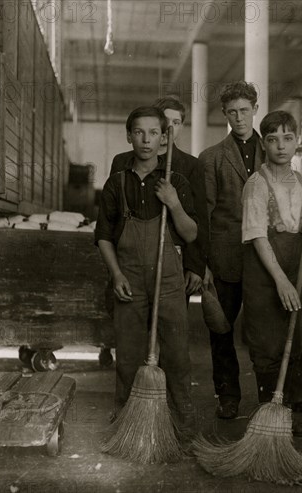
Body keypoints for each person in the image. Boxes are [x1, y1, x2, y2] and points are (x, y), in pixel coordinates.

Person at [95, 106, 198, 436]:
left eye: (154, 132)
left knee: (178, 354)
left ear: (164, 138)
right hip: (130, 278)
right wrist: (117, 275)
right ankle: (126, 416)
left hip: (168, 279)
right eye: (139, 132)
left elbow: (191, 233)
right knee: (127, 353)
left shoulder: (175, 181)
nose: (146, 139)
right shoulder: (117, 184)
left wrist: (174, 203)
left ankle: (181, 420)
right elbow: (103, 236)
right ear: (129, 136)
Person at [241, 110, 302, 431]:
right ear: (263, 144)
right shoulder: (256, 184)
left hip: (292, 270)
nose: (281, 146)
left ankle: (300, 395)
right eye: (273, 140)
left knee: (291, 332)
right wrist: (280, 282)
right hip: (264, 276)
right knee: (266, 341)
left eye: (287, 139)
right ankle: (269, 404)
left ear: (297, 142)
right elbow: (258, 237)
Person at [199, 81, 264, 419]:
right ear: (224, 114)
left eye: (244, 110)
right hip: (224, 260)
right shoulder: (210, 158)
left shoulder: (273, 152)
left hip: (265, 258)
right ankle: (228, 396)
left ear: (255, 108)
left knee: (266, 332)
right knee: (221, 331)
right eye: (232, 112)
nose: (239, 118)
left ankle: (272, 399)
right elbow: (205, 215)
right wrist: (205, 265)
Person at [110, 97, 207, 297]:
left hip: (175, 263)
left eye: (177, 123)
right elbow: (113, 218)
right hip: (131, 261)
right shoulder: (122, 162)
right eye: (166, 121)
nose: (170, 128)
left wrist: (195, 266)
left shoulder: (191, 166)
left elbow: (200, 219)